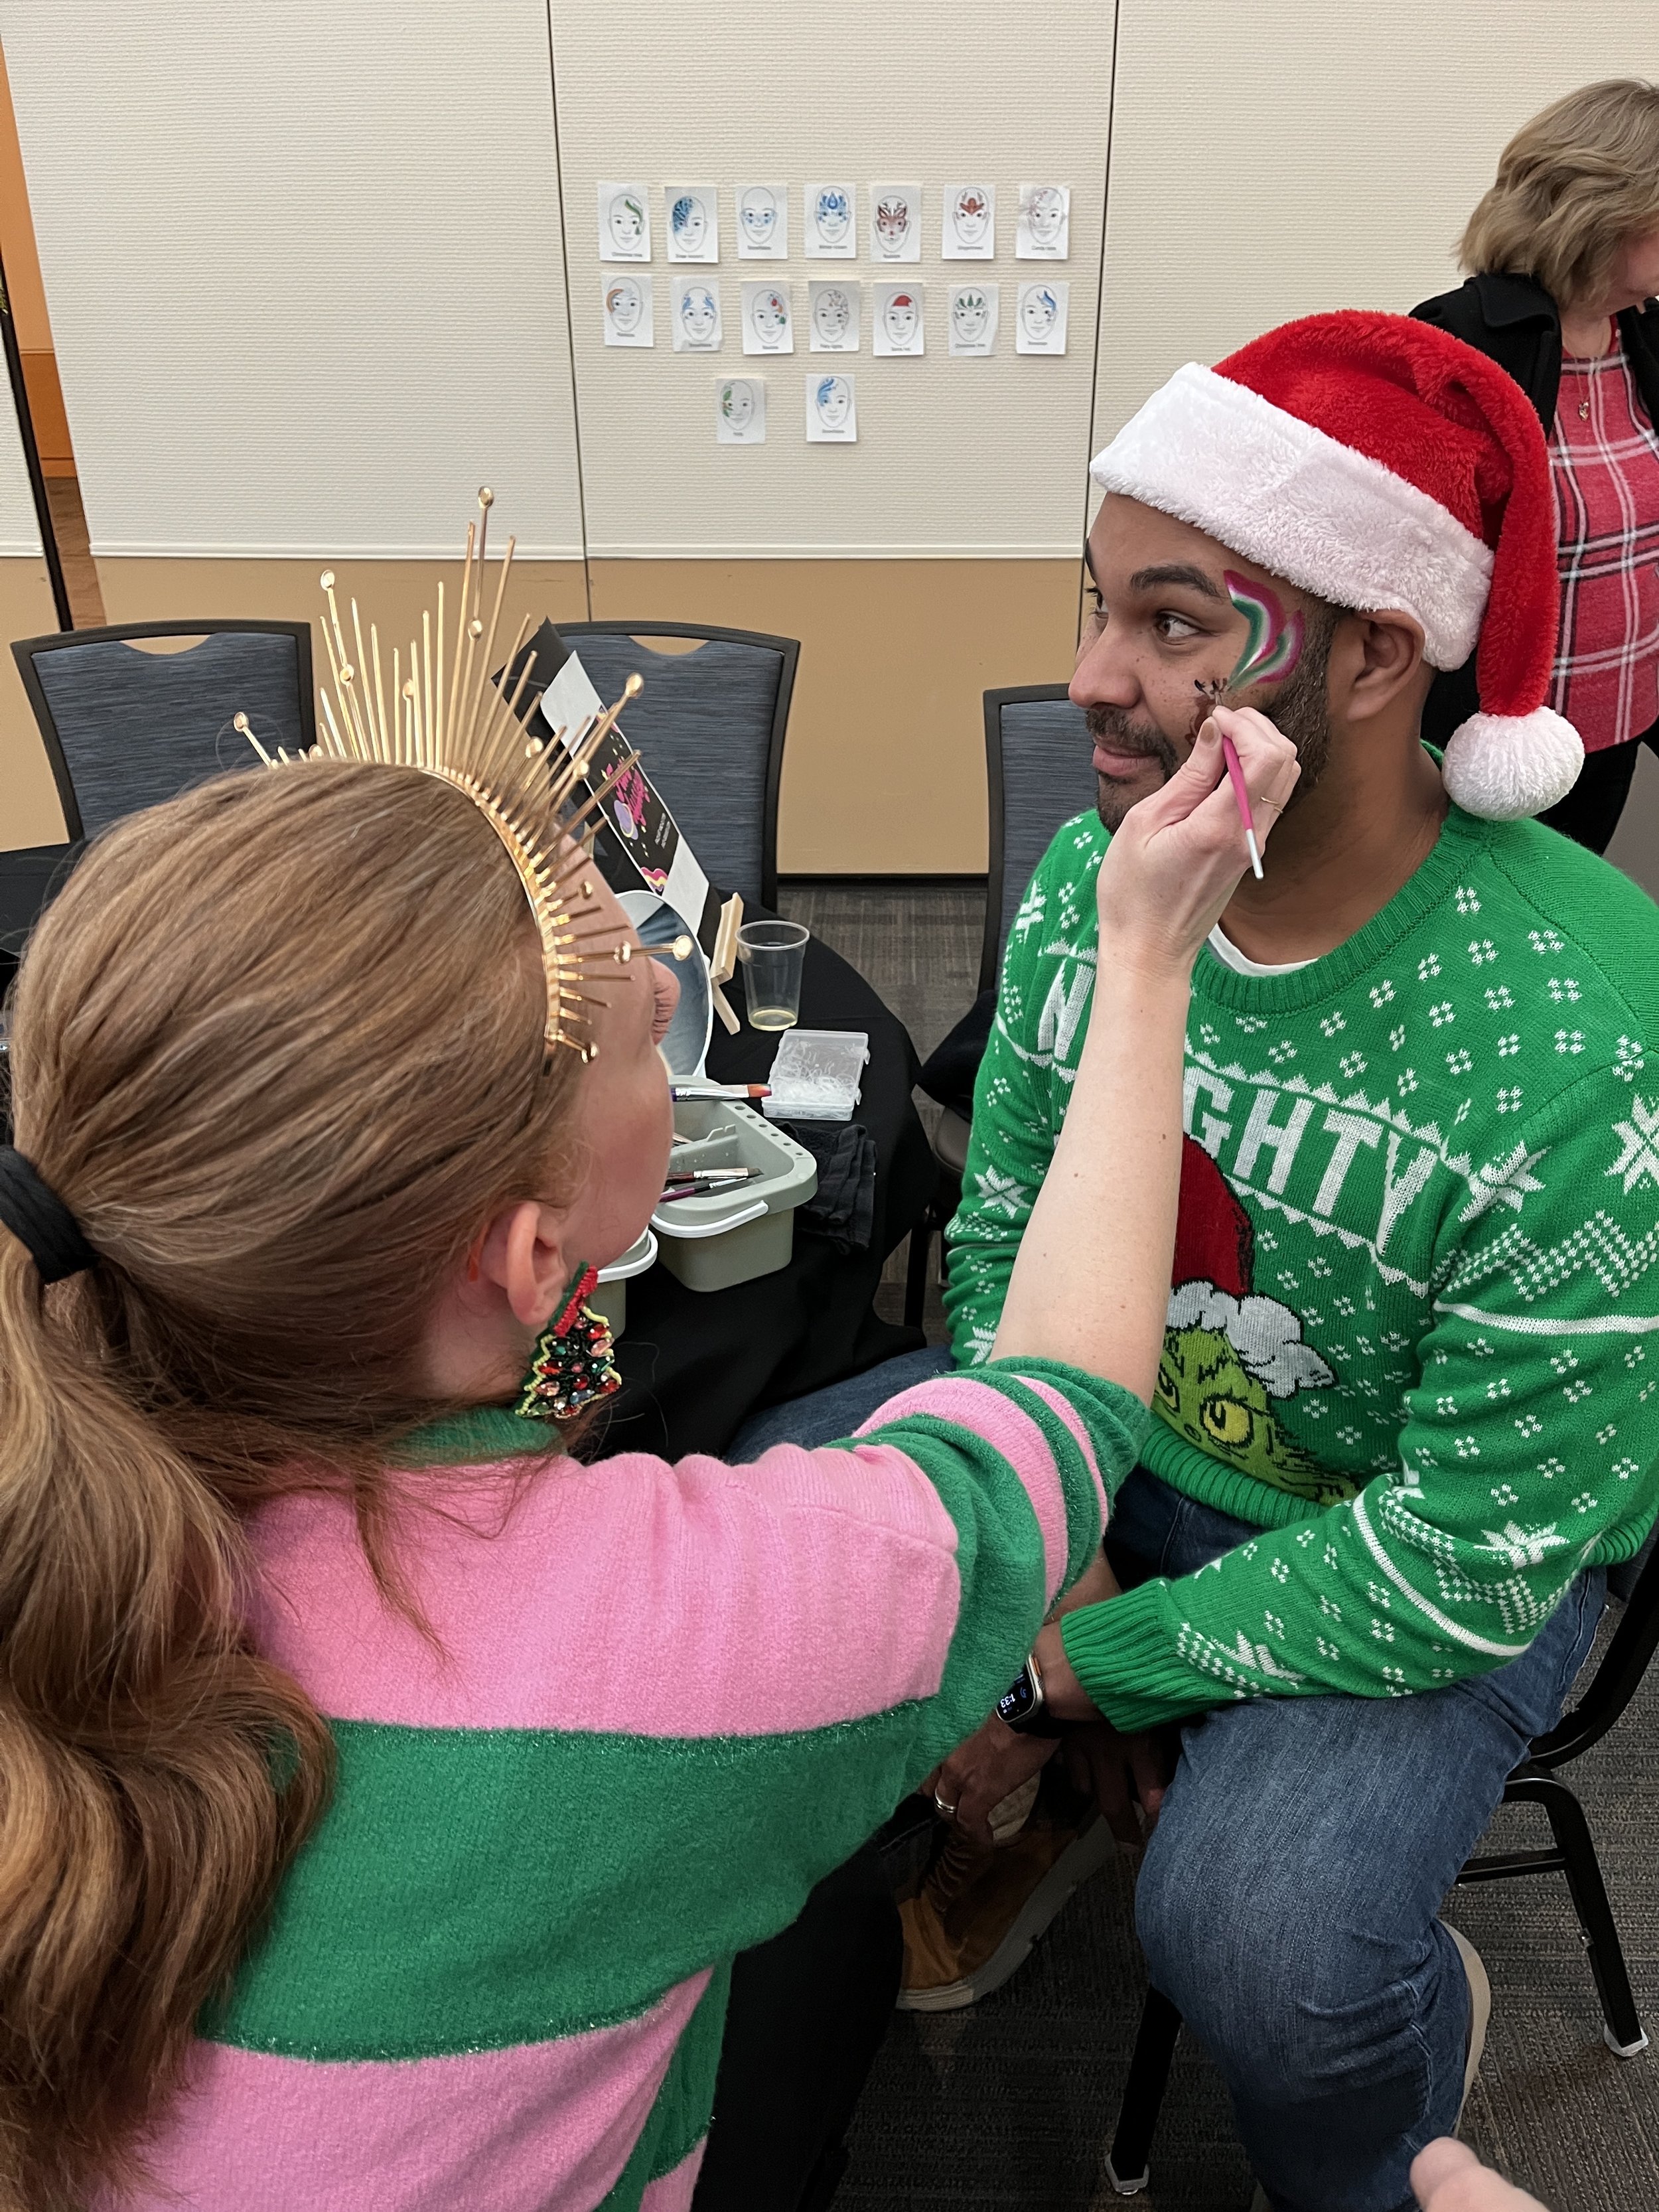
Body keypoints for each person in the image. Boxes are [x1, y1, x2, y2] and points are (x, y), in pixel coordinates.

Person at [0, 547, 1295, 2212]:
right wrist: (1149, 964)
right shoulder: (671, 1639)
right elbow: (1055, 1414)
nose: (672, 982)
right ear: (537, 1262)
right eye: (633, 1028)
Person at [741, 312, 1659, 2211]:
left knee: (1259, 1948)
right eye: (1097, 605)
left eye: (1174, 623)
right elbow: (992, 1237)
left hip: (1410, 1543)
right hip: (1125, 1447)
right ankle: (1084, 1794)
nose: (1088, 679)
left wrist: (1072, 1667)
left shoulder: (1582, 1023)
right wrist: (1047, 1514)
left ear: (1380, 649)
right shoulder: (1113, 873)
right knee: (752, 1549)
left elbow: (1475, 1547)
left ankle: (1382, 2114)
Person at [1414, 77, 1659, 855]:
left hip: (1620, 716)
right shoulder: (1458, 340)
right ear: (1608, 210)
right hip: (1488, 741)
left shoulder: (1645, 338)